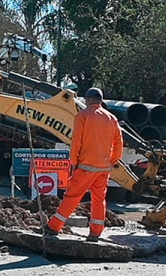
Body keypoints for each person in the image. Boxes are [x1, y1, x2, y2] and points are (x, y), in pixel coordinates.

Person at [44, 87, 123, 243]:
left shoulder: (83, 116)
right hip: (103, 168)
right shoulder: (111, 118)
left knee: (72, 197)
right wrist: (112, 160)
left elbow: (76, 142)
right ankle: (95, 233)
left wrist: (74, 162)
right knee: (99, 200)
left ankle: (53, 227)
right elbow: (119, 143)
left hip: (86, 167)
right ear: (101, 101)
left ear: (87, 100)